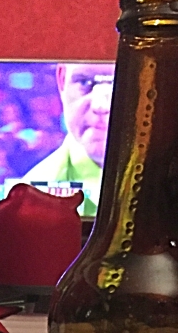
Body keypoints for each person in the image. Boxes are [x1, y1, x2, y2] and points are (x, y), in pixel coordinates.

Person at [20, 63, 114, 217]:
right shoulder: (29, 200)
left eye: (121, 83)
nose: (101, 106)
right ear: (62, 80)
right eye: (84, 82)